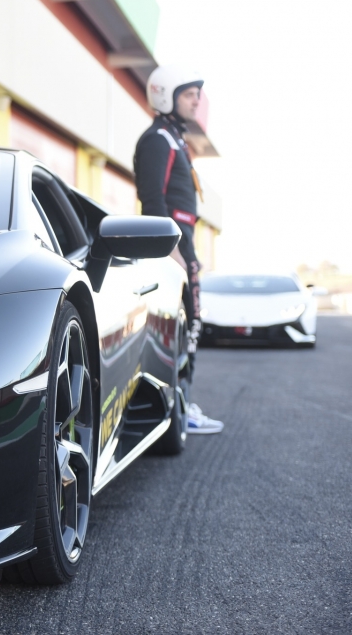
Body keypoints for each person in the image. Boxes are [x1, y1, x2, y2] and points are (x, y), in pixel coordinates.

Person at [133, 65, 224, 435]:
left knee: (190, 325)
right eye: (189, 95)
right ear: (165, 95)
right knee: (181, 326)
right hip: (171, 244)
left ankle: (182, 402)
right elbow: (152, 199)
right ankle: (177, 409)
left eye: (197, 95)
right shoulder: (158, 139)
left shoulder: (175, 139)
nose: (195, 101)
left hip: (183, 240)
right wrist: (169, 249)